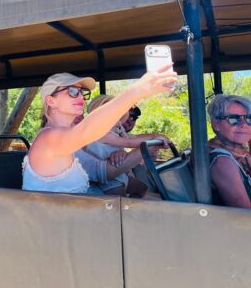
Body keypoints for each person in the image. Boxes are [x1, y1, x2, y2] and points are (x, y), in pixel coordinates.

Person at [23, 67, 177, 194]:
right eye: (72, 91)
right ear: (51, 101)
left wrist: (149, 143)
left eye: (82, 92)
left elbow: (100, 168)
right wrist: (137, 91)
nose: (81, 97)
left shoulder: (67, 140)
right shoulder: (48, 138)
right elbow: (88, 132)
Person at [83, 95, 168, 197]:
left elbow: (134, 137)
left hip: (120, 173)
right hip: (110, 180)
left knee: (142, 188)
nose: (118, 120)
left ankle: (133, 204)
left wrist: (155, 136)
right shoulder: (101, 133)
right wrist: (153, 138)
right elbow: (129, 143)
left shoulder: (117, 130)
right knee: (121, 200)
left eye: (118, 115)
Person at [207, 94, 251, 208]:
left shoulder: (241, 155)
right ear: (216, 124)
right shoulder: (223, 162)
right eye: (234, 119)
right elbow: (244, 214)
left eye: (250, 119)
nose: (244, 125)